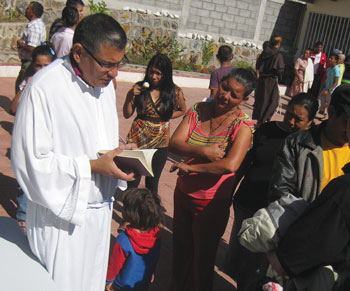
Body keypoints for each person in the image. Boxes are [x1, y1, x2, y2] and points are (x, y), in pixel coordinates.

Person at [11, 13, 134, 291]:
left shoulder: (104, 87)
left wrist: (121, 151)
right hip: (61, 223)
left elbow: (92, 134)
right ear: (78, 52)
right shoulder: (44, 89)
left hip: (99, 216)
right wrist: (91, 166)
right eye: (108, 64)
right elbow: (30, 163)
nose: (115, 73)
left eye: (119, 64)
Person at [169, 68, 256, 291]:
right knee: (180, 249)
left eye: (234, 95)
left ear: (244, 100)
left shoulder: (243, 126)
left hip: (211, 202)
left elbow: (230, 165)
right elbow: (175, 142)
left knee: (203, 259)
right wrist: (205, 151)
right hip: (183, 193)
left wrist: (191, 167)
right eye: (225, 87)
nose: (225, 95)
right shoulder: (199, 109)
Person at [224, 93, 318, 291]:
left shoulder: (308, 145)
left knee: (258, 267)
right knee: (237, 257)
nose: (291, 122)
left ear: (310, 122)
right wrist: (228, 192)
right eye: (289, 114)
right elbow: (245, 163)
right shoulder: (267, 130)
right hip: (247, 204)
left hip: (274, 217)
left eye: (298, 119)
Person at [267, 84, 350, 291]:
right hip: (300, 250)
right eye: (346, 122)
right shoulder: (298, 143)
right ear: (331, 112)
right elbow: (280, 194)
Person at [123, 53, 186, 195]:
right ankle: (129, 213)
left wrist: (166, 116)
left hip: (161, 142)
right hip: (137, 139)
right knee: (132, 180)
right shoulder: (139, 89)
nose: (154, 76)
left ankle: (148, 214)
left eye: (158, 73)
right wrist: (129, 96)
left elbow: (182, 110)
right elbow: (127, 114)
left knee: (152, 183)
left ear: (166, 74)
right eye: (151, 72)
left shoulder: (174, 92)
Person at [105, 188, 163, 291]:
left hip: (121, 285)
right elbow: (155, 257)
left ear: (131, 214)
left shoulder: (123, 240)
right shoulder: (156, 237)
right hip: (142, 282)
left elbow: (114, 264)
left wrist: (109, 281)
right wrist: (152, 272)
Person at [11, 44, 57, 115]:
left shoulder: (56, 84)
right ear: (33, 65)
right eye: (38, 66)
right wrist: (25, 87)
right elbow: (13, 109)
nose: (42, 69)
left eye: (46, 65)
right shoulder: (29, 82)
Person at [253, 36, 285, 127]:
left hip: (263, 79)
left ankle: (261, 120)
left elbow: (258, 65)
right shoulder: (277, 54)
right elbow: (280, 69)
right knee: (272, 100)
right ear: (278, 44)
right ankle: (262, 121)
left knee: (264, 99)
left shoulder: (265, 52)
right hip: (271, 79)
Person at [15, 1, 46, 94]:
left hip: (29, 63)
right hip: (28, 62)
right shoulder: (35, 25)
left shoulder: (35, 27)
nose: (26, 10)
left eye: (28, 8)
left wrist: (20, 44)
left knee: (21, 89)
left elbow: (32, 48)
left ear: (33, 12)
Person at [318, 53, 340, 119]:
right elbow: (328, 79)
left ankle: (326, 116)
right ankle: (322, 111)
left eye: (332, 58)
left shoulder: (336, 69)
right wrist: (325, 86)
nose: (330, 59)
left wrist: (329, 90)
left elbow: (336, 82)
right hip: (326, 88)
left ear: (335, 61)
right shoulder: (329, 69)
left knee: (328, 103)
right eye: (330, 58)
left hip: (331, 90)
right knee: (321, 99)